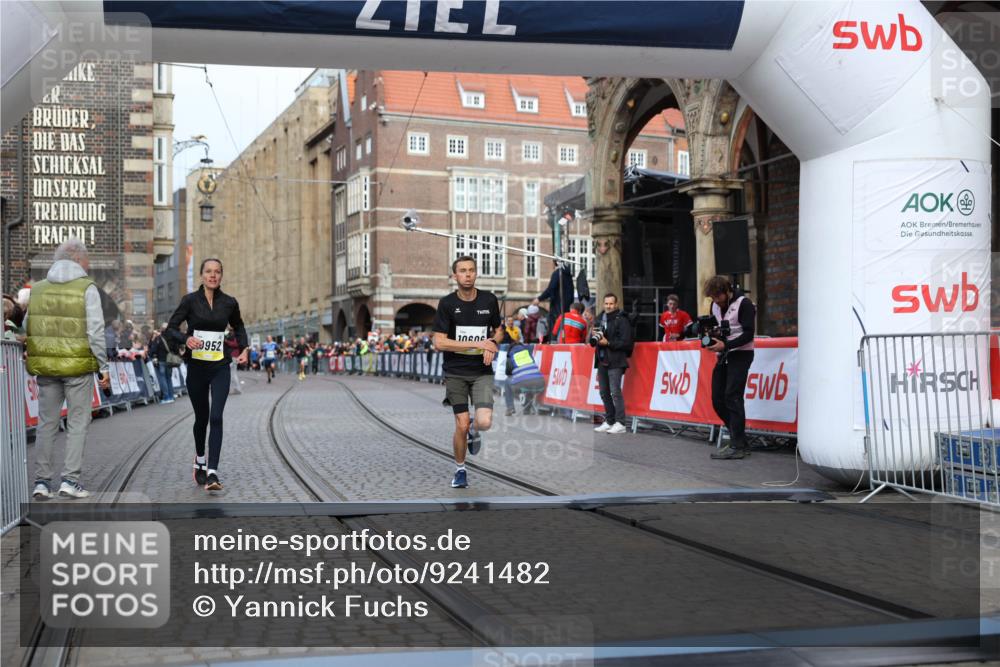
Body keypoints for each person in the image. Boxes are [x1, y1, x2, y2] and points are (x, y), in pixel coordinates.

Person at [25, 238, 110, 499]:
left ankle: (42, 482)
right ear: (75, 258)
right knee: (77, 424)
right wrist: (103, 366)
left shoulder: (37, 290)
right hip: (77, 366)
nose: (88, 266)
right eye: (86, 260)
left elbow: (28, 325)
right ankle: (70, 481)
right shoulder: (87, 288)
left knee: (46, 424)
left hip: (47, 368)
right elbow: (95, 330)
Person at [166, 258, 249, 491]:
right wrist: (185, 339)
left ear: (221, 275)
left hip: (220, 366)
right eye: (209, 272)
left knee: (216, 417)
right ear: (202, 275)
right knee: (201, 419)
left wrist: (243, 348)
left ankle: (213, 472)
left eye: (217, 272)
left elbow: (239, 326)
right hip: (197, 368)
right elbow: (170, 329)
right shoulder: (190, 301)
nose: (213, 275)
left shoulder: (229, 303)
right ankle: (200, 459)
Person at [433, 255, 503, 489]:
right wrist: (476, 345)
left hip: (482, 372)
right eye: (462, 271)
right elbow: (440, 342)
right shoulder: (446, 304)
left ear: (476, 273)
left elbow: (499, 331)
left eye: (471, 270)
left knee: (483, 422)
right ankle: (460, 470)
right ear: (455, 276)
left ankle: (475, 429)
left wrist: (492, 341)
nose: (467, 274)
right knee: (460, 424)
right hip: (455, 372)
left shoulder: (489, 300)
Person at [704, 276, 756, 460]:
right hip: (724, 355)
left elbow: (749, 334)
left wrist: (725, 345)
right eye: (712, 298)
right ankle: (738, 438)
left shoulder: (744, 304)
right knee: (717, 399)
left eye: (718, 296)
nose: (715, 301)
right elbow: (718, 329)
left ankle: (738, 445)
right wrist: (712, 337)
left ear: (727, 291)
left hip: (741, 354)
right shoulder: (715, 306)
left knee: (732, 396)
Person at [591, 293, 633, 435]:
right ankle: (609, 420)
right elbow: (595, 339)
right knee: (603, 392)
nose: (608, 306)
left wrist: (608, 343)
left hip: (616, 360)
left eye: (611, 303)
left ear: (616, 304)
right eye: (606, 303)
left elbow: (626, 343)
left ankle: (620, 423)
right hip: (602, 360)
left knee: (615, 392)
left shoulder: (622, 319)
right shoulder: (600, 318)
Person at [533, 261, 574, 340]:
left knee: (555, 328)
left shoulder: (557, 274)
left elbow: (551, 289)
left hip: (557, 308)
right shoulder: (569, 276)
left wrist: (539, 298)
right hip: (567, 308)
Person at [149, 324, 175, 403]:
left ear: (161, 329)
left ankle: (166, 397)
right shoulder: (172, 338)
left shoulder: (158, 339)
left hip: (161, 360)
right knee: (169, 379)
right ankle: (171, 396)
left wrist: (152, 341)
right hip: (170, 361)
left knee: (162, 378)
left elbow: (152, 350)